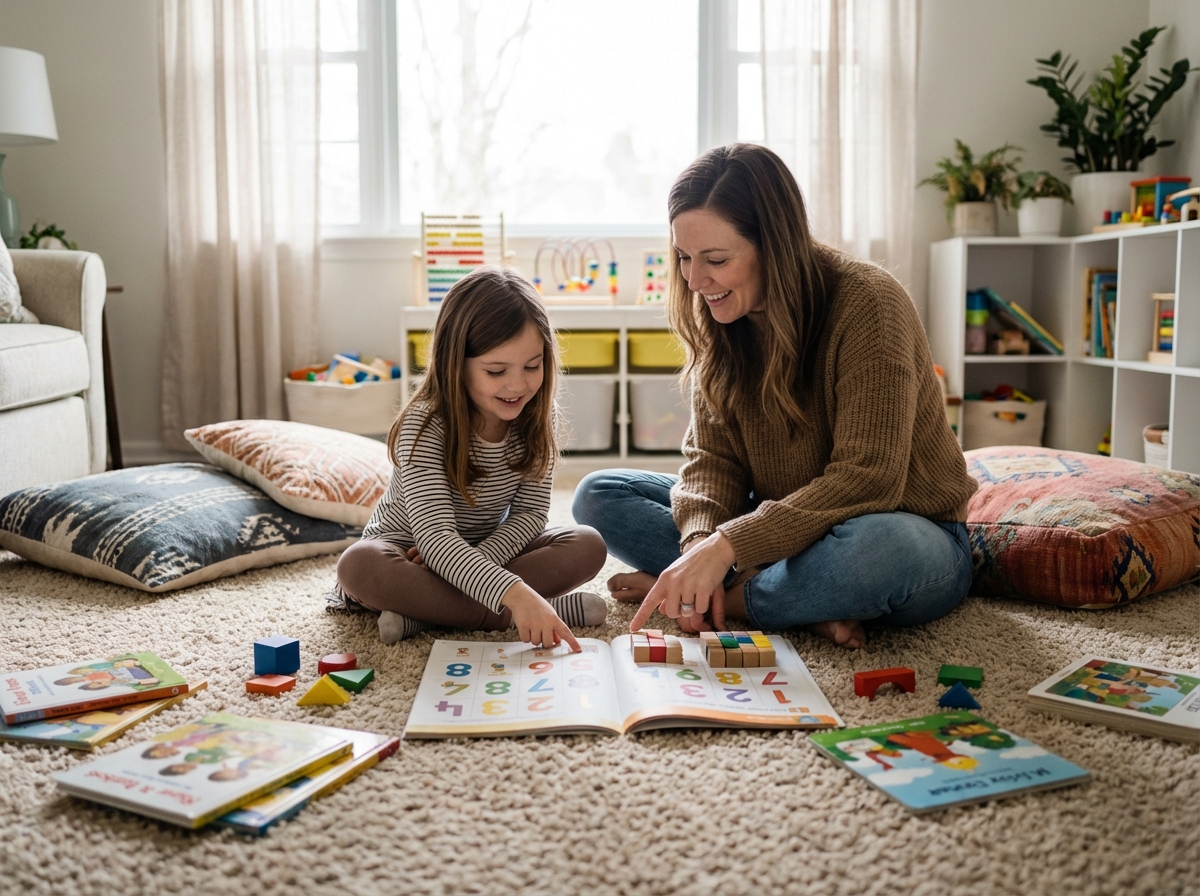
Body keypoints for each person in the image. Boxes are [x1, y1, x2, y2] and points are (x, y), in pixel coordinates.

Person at [573, 143, 977, 649]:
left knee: (880, 550)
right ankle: (793, 598)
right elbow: (712, 462)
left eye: (715, 260)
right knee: (599, 494)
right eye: (683, 257)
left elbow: (869, 478)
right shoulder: (722, 314)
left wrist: (727, 548)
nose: (694, 281)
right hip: (775, 524)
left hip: (901, 527)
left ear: (775, 246)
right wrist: (699, 545)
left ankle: (735, 599)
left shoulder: (869, 302)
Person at [336, 267, 608, 650]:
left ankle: (429, 616)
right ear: (455, 363)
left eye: (532, 366)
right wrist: (515, 593)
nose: (518, 385)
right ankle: (524, 611)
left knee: (587, 544)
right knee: (358, 564)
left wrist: (481, 562)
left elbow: (530, 515)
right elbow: (434, 537)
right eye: (496, 371)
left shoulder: (534, 418)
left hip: (484, 548)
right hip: (410, 552)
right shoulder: (424, 425)